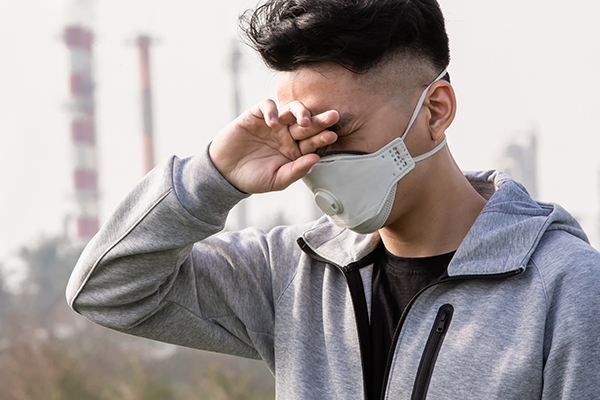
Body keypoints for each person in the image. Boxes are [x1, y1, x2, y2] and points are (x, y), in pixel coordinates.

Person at [66, 0, 600, 399]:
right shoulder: (291, 274)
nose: (317, 157)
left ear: (435, 111)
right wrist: (215, 175)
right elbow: (108, 293)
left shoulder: (565, 288)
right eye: (303, 134)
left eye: (338, 130)